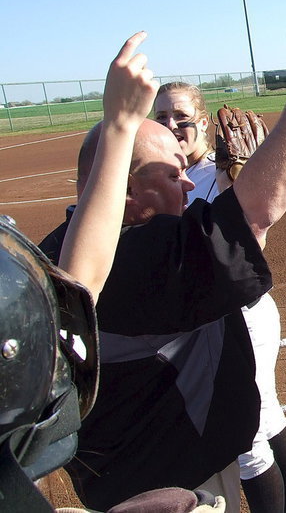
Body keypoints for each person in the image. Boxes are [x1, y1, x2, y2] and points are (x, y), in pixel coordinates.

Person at [38, 0, 286, 511]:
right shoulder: (134, 262)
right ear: (124, 190)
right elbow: (258, 213)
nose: (188, 181)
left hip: (122, 480)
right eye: (171, 174)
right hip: (172, 488)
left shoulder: (58, 249)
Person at [2, 32, 225, 512]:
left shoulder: (50, 257)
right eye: (171, 173)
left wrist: (122, 127)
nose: (184, 180)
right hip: (160, 463)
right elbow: (82, 285)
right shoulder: (154, 257)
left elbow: (78, 283)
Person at [155, 83, 286, 513]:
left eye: (182, 117)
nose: (172, 125)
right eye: (161, 117)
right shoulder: (163, 173)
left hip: (241, 318)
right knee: (268, 415)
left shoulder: (221, 173)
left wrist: (236, 174)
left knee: (246, 437)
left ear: (203, 123)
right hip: (214, 317)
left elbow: (248, 235)